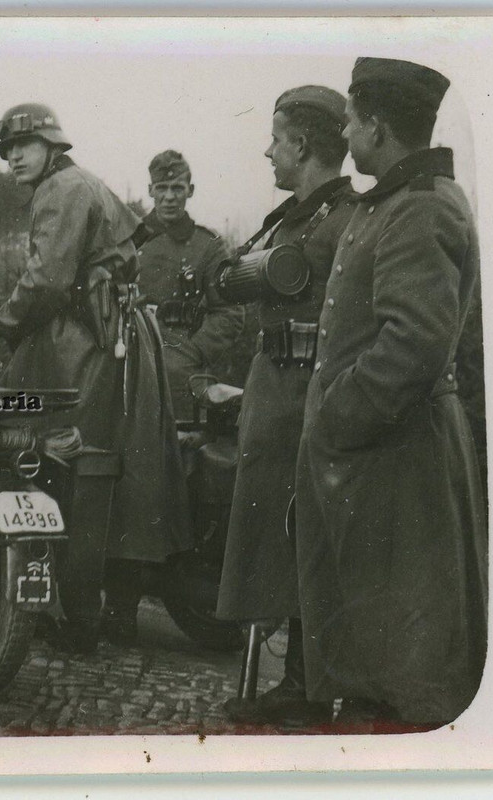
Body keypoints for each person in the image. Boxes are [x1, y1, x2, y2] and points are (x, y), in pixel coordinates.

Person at [295, 57, 487, 730]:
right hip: (378, 458)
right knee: (376, 639)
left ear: (375, 127)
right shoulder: (399, 200)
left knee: (406, 660)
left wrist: (338, 416)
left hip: (395, 459)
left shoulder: (419, 208)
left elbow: (411, 343)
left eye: (348, 120)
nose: (344, 134)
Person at [0, 103, 191, 653]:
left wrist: (6, 324)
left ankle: (75, 619)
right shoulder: (78, 184)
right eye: (7, 150)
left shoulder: (61, 188)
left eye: (23, 146)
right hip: (115, 338)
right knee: (119, 473)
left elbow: (47, 279)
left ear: (52, 145)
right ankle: (105, 613)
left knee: (68, 466)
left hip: (92, 343)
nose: (12, 158)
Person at [213, 86, 357, 726]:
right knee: (270, 535)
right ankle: (290, 684)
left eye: (276, 138)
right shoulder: (285, 219)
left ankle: (306, 685)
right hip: (272, 390)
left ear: (302, 145)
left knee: (309, 536)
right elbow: (227, 275)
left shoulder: (350, 216)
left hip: (313, 394)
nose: (267, 150)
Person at [132, 151, 244, 418]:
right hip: (131, 360)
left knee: (182, 447)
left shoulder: (207, 246)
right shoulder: (129, 240)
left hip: (182, 373)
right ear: (150, 190)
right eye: (161, 188)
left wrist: (192, 351)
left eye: (177, 188)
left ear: (190, 190)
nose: (169, 197)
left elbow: (230, 313)